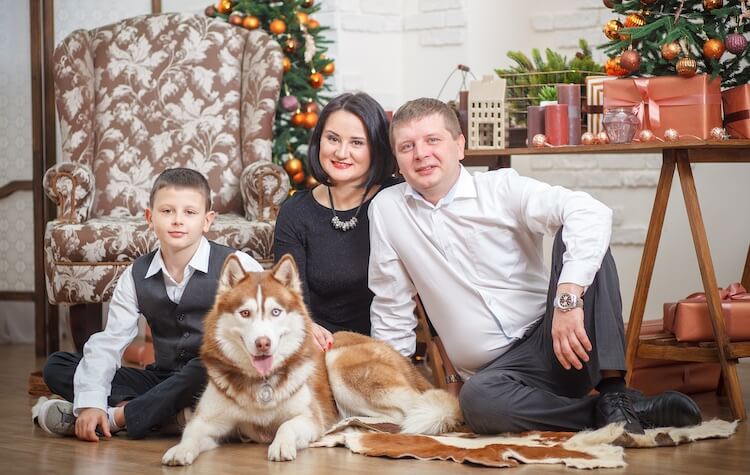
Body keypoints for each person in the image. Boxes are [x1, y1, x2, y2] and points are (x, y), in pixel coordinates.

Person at [367, 98, 702, 434]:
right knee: (478, 403)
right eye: (407, 146)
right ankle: (616, 412)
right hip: (498, 377)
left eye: (432, 140)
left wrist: (567, 299)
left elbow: (590, 212)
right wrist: (392, 393)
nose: (421, 154)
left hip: (561, 341)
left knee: (582, 239)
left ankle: (614, 393)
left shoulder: (502, 188)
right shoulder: (387, 210)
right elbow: (391, 305)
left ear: (459, 145)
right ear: (397, 158)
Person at [35, 168, 263, 441]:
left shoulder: (239, 266)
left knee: (211, 363)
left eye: (189, 213)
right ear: (149, 217)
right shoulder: (135, 274)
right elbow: (110, 342)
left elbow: (261, 330)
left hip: (217, 378)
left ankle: (117, 418)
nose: (178, 220)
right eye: (167, 211)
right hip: (162, 378)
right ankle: (171, 416)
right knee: (57, 365)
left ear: (207, 220)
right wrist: (91, 402)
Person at [273, 92, 399, 348]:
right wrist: (307, 326)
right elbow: (292, 299)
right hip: (320, 346)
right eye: (332, 139)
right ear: (319, 140)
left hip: (388, 346)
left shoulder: (396, 199)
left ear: (376, 147)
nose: (342, 153)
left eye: (357, 143)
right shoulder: (295, 212)